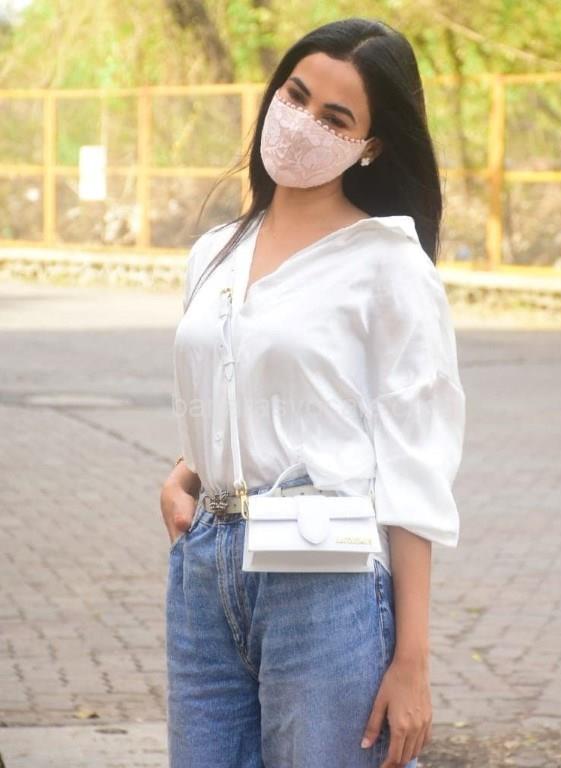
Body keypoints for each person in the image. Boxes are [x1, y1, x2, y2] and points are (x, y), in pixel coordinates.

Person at [160, 16, 466, 768]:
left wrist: (412, 661)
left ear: (371, 145)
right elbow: (250, 382)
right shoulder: (214, 252)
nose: (303, 123)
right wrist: (188, 469)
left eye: (335, 117)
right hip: (205, 568)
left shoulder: (388, 264)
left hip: (323, 573)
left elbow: (413, 464)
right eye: (295, 96)